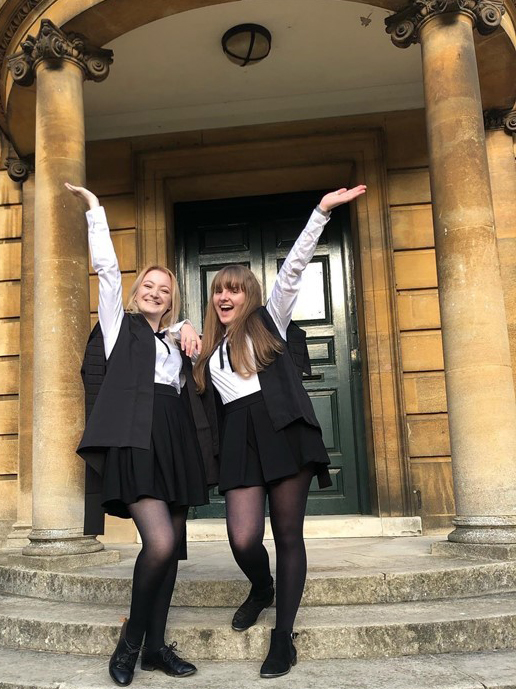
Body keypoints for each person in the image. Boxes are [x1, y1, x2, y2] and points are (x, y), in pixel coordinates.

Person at [193, 184, 367, 678]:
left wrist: (321, 213)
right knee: (243, 537)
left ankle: (283, 637)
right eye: (219, 290)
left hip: (284, 431)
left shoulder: (269, 321)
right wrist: (183, 325)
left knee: (288, 534)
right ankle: (261, 586)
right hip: (240, 440)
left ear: (249, 296)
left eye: (235, 289)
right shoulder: (205, 346)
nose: (225, 296)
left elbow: (292, 269)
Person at [67, 183, 214, 687]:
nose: (155, 292)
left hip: (175, 439)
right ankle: (130, 640)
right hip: (136, 437)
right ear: (137, 292)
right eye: (149, 285)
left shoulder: (174, 341)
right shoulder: (119, 327)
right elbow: (106, 272)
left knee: (172, 548)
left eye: (165, 289)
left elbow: (190, 377)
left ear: (172, 301)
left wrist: (185, 327)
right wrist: (96, 212)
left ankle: (155, 648)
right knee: (158, 541)